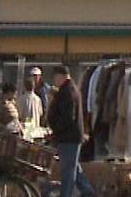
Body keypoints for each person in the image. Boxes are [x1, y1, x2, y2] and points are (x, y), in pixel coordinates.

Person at [47, 65, 96, 197]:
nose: (54, 80)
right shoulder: (70, 89)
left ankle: (67, 194)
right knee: (73, 167)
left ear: (61, 76)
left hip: (68, 137)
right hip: (70, 136)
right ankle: (88, 191)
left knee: (68, 171)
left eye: (55, 77)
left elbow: (68, 117)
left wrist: (56, 129)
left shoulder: (67, 92)